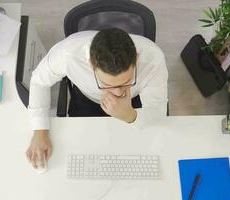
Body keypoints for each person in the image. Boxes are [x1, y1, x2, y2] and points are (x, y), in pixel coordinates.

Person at [26, 28, 168, 169]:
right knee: (84, 152)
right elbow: (39, 81)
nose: (117, 93)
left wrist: (131, 116)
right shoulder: (67, 53)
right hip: (88, 100)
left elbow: (158, 110)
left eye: (126, 81)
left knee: (137, 152)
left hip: (133, 103)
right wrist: (40, 132)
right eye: (107, 84)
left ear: (136, 58)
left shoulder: (154, 59)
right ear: (91, 64)